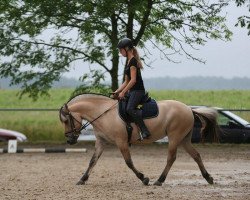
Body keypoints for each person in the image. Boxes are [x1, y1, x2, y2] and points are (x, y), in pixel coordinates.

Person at [113, 38, 151, 140]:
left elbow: (133, 80)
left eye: (121, 50)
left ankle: (144, 130)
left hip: (138, 91)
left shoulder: (133, 61)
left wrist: (124, 92)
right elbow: (126, 82)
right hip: (133, 91)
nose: (120, 52)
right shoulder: (128, 62)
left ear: (126, 48)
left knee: (129, 108)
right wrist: (117, 91)